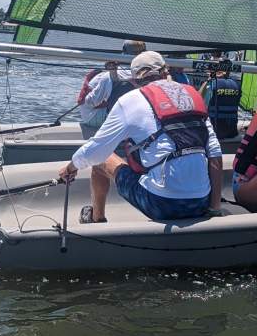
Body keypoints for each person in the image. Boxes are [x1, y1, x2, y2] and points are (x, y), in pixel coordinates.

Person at [58, 51, 223, 223]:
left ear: (134, 80)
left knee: (103, 158)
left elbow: (96, 150)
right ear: (166, 73)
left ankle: (96, 218)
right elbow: (214, 153)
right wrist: (214, 209)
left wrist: (71, 167)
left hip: (160, 204)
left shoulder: (129, 100)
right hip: (201, 202)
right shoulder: (193, 96)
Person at [75, 40, 144, 139]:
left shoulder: (108, 75)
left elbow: (90, 102)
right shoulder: (147, 77)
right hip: (97, 116)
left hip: (109, 115)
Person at [199, 66, 243, 142]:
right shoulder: (236, 85)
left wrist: (208, 81)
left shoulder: (211, 83)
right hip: (232, 132)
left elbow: (198, 98)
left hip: (214, 132)